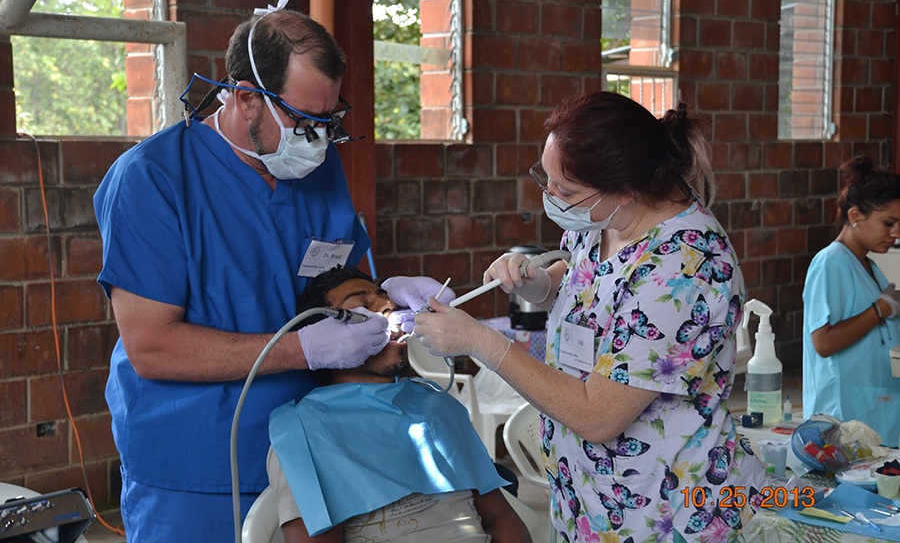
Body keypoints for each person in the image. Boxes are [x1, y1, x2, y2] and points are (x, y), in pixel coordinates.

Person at [93, 0, 451, 542]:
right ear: (245, 98)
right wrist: (301, 351)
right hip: (197, 459)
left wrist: (384, 291)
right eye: (303, 119)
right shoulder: (153, 180)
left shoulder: (317, 166)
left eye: (329, 120)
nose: (318, 139)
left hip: (314, 445)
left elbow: (330, 277)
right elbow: (152, 346)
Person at [413, 92, 771, 541]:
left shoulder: (684, 266)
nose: (552, 198)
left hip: (662, 510)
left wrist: (482, 342)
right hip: (589, 497)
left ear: (625, 189)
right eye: (546, 181)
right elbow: (594, 291)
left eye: (566, 191)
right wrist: (541, 286)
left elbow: (599, 416)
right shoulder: (606, 219)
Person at [266, 266, 531, 542]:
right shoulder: (304, 433)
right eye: (362, 304)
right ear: (326, 337)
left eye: (386, 296)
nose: (390, 305)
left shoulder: (436, 405)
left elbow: (500, 517)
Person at [802, 155, 900, 446]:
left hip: (875, 410)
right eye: (888, 223)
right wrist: (880, 309)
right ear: (855, 216)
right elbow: (823, 342)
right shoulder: (830, 263)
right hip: (844, 417)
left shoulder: (868, 265)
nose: (896, 233)